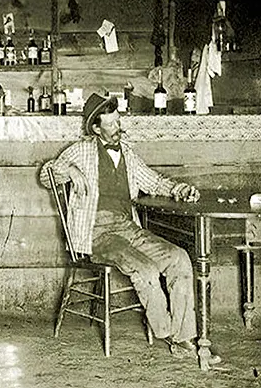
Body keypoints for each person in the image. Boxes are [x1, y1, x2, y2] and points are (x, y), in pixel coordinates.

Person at [39, 93, 221, 365]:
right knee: (146, 270)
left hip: (127, 228)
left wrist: (178, 189)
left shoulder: (127, 152)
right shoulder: (82, 149)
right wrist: (70, 171)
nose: (118, 127)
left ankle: (185, 337)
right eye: (111, 124)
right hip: (95, 234)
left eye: (118, 120)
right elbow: (46, 174)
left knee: (180, 258)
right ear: (97, 128)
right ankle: (171, 335)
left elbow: (153, 182)